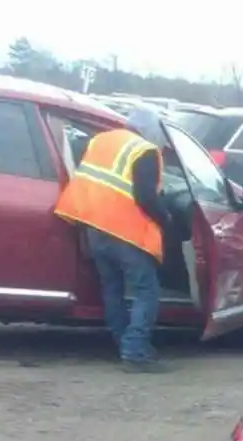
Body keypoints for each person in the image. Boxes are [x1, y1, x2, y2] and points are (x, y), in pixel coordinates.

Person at [53, 108, 171, 373]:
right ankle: (135, 351)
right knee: (146, 290)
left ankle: (122, 342)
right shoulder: (144, 150)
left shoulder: (100, 140)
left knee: (112, 287)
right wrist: (166, 220)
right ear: (151, 129)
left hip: (94, 226)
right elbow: (146, 197)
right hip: (126, 231)